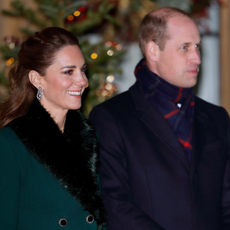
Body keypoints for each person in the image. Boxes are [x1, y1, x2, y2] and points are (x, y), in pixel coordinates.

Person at [89, 7, 230, 230]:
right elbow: (113, 203)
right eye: (185, 47)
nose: (197, 58)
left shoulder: (217, 118)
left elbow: (227, 201)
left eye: (197, 47)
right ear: (153, 51)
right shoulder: (110, 118)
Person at [0, 27, 106, 230]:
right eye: (69, 71)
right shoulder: (9, 144)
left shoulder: (89, 137)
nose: (82, 81)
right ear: (37, 79)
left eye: (82, 69)